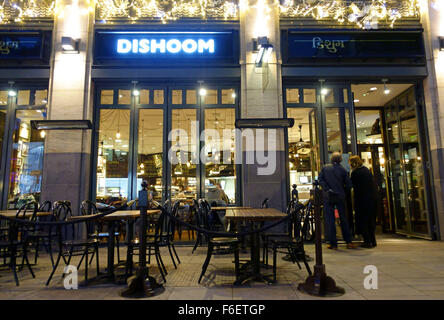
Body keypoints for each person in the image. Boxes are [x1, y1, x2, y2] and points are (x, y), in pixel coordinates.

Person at [319, 152, 356, 249]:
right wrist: (343, 190)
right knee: (343, 218)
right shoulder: (343, 170)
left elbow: (320, 180)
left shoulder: (325, 168)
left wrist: (327, 189)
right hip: (340, 196)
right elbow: (348, 184)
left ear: (331, 159)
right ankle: (348, 241)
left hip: (329, 196)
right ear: (340, 160)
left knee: (330, 219)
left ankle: (333, 243)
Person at [349, 155, 377, 248]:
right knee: (370, 220)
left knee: (363, 220)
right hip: (371, 199)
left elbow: (351, 185)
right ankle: (373, 240)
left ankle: (367, 241)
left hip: (361, 199)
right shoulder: (367, 170)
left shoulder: (355, 173)